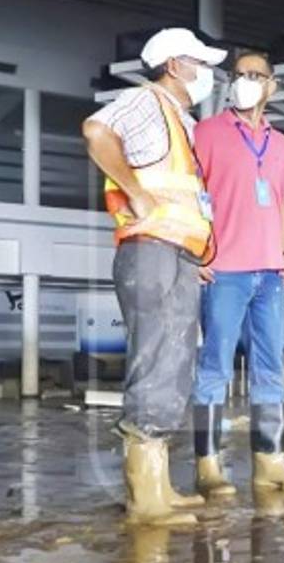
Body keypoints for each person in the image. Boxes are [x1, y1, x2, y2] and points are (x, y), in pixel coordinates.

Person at [81, 27, 226, 526]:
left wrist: (196, 252)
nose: (207, 74)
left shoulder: (181, 121)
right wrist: (135, 194)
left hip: (177, 254)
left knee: (175, 360)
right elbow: (96, 132)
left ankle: (160, 485)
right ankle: (145, 496)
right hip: (150, 250)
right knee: (156, 358)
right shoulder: (147, 101)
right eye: (200, 63)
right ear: (175, 65)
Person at [190, 49, 284, 500]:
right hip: (224, 269)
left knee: (270, 367)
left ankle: (270, 463)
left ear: (271, 86)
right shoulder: (207, 132)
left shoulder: (281, 145)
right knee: (215, 366)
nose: (245, 81)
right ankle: (208, 465)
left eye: (255, 75)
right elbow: (190, 194)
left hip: (270, 272)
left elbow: (280, 201)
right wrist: (197, 253)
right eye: (239, 74)